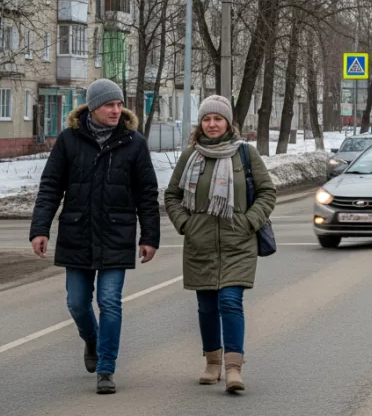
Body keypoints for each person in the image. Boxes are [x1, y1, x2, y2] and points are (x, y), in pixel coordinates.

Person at [29, 79, 160, 395]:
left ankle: (106, 368)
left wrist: (150, 236)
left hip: (117, 233)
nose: (116, 110)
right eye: (109, 105)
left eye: (118, 105)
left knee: (110, 301)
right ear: (93, 107)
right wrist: (40, 229)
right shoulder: (69, 141)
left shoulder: (134, 142)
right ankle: (91, 338)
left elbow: (147, 194)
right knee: (76, 303)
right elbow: (50, 187)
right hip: (77, 232)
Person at [164, 95, 275, 393]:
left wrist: (249, 222)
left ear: (228, 122)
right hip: (200, 243)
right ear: (200, 124)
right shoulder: (191, 155)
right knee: (206, 306)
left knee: (229, 301)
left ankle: (233, 368)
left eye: (218, 119)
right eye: (206, 119)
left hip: (238, 241)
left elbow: (267, 193)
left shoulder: (245, 154)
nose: (212, 124)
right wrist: (186, 224)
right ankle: (211, 363)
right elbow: (172, 196)